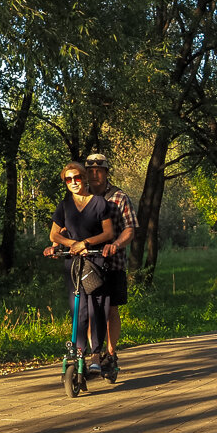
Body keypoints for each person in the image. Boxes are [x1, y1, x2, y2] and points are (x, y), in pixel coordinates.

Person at [46, 161, 115, 373]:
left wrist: (85, 243)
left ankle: (96, 354)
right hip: (74, 264)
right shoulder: (64, 205)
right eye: (68, 179)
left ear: (84, 178)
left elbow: (108, 233)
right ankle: (79, 354)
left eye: (76, 178)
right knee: (79, 309)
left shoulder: (99, 203)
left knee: (97, 308)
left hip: (95, 261)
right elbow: (54, 234)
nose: (73, 182)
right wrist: (72, 245)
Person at [85, 153, 137, 372]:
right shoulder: (81, 196)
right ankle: (94, 355)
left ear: (106, 172)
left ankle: (111, 353)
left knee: (111, 309)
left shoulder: (119, 197)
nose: (94, 174)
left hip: (113, 263)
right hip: (89, 263)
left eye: (99, 170)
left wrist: (116, 244)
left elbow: (130, 229)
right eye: (90, 171)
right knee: (90, 309)